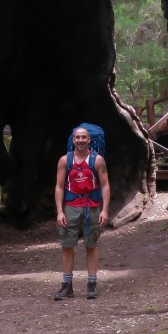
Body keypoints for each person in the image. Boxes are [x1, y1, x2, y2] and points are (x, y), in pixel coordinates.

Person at [53, 125, 110, 300]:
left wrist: (104, 210)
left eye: (84, 137)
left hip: (91, 206)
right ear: (73, 140)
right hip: (71, 207)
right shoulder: (65, 161)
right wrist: (60, 211)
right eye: (77, 137)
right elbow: (59, 186)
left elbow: (105, 185)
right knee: (67, 245)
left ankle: (92, 284)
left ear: (89, 140)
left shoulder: (97, 160)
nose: (80, 140)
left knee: (91, 245)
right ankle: (67, 285)